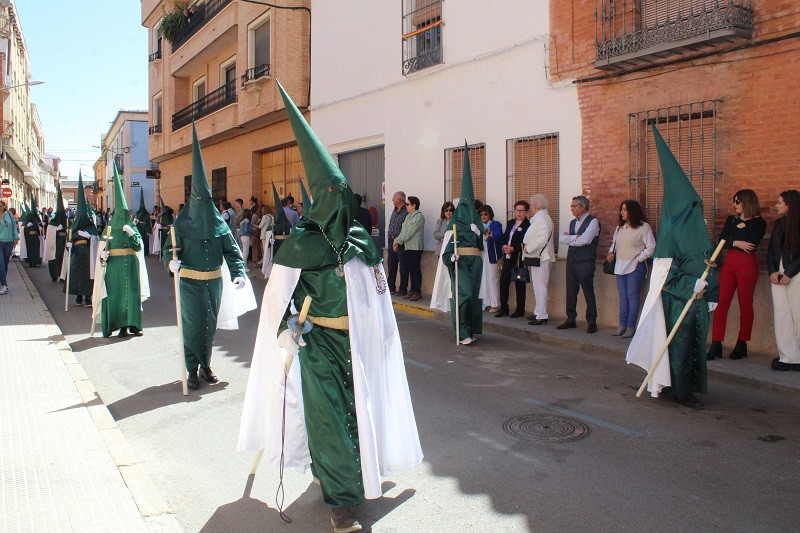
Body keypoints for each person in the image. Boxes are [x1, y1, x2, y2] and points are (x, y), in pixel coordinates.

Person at [239, 82, 422, 533]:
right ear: (322, 199)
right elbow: (277, 303)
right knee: (326, 420)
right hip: (317, 344)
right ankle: (340, 502)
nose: (341, 203)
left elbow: (376, 293)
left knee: (356, 415)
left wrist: (380, 329)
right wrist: (287, 330)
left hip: (354, 344)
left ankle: (345, 478)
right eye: (333, 195)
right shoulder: (300, 245)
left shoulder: (360, 242)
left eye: (345, 194)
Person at [626, 125, 719, 409]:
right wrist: (691, 286)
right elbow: (665, 274)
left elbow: (707, 260)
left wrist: (711, 292)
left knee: (694, 346)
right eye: (693, 206)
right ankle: (680, 391)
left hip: (697, 301)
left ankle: (687, 386)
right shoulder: (670, 234)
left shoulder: (698, 229)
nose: (697, 209)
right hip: (679, 301)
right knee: (680, 346)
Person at [163, 125, 255, 389]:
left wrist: (238, 273)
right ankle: (191, 369)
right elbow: (169, 251)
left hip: (213, 282)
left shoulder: (220, 225)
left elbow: (232, 251)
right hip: (190, 282)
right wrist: (171, 264)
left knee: (208, 326)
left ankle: (206, 365)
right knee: (192, 325)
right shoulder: (180, 226)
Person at [706, 190, 766, 360]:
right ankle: (716, 343)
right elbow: (722, 240)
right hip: (729, 263)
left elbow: (751, 244)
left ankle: (742, 342)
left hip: (746, 264)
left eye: (738, 201)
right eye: (734, 201)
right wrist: (736, 242)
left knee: (745, 303)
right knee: (721, 301)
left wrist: (733, 240)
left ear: (747, 202)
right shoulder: (731, 219)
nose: (735, 204)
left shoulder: (758, 222)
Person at [95, 165, 150, 338]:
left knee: (131, 294)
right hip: (115, 267)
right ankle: (120, 326)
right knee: (117, 296)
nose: (124, 215)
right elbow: (102, 252)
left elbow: (139, 247)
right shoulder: (108, 229)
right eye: (121, 212)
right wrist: (103, 255)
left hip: (131, 265)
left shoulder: (132, 226)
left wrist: (132, 233)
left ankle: (133, 324)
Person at [607, 200, 655, 338]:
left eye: (624, 209)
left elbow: (651, 247)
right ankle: (621, 325)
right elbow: (614, 243)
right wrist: (611, 252)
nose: (621, 212)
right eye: (621, 209)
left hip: (635, 266)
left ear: (632, 211)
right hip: (620, 265)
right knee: (623, 297)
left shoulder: (644, 227)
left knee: (633, 297)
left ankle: (630, 326)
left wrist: (639, 258)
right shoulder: (620, 227)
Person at [558, 195, 600, 333]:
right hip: (571, 261)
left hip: (585, 262)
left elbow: (586, 240)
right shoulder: (572, 223)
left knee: (588, 291)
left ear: (582, 207)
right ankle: (570, 319)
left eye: (573, 206)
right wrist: (575, 237)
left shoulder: (593, 222)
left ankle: (592, 320)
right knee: (571, 291)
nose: (571, 208)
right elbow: (561, 239)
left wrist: (572, 239)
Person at [768, 190, 800, 371]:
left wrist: (789, 272)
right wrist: (773, 271)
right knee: (781, 314)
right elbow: (772, 249)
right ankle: (788, 357)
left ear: (791, 205)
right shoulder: (779, 223)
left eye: (780, 202)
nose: (776, 206)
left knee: (798, 314)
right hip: (778, 274)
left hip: (795, 273)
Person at [66, 173, 99, 307]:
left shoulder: (90, 227)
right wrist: (69, 244)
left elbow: (97, 239)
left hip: (87, 255)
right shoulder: (73, 228)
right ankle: (78, 297)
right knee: (76, 274)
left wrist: (89, 236)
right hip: (76, 254)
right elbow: (69, 240)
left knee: (87, 275)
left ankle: (87, 298)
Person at [522, 194, 555, 325]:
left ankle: (542, 315)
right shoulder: (542, 218)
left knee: (541, 286)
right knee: (538, 285)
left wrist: (528, 249)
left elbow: (541, 238)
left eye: (531, 205)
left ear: (536, 206)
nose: (531, 207)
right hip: (540, 256)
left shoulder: (541, 219)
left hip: (541, 256)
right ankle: (538, 311)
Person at [496, 200, 530, 318]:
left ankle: (520, 310)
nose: (519, 213)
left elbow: (525, 242)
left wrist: (513, 248)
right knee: (503, 281)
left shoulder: (527, 225)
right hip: (508, 257)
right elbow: (505, 237)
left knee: (519, 283)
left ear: (526, 212)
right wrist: (504, 246)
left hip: (518, 258)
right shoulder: (511, 223)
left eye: (522, 210)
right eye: (517, 210)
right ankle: (504, 308)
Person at [393, 195, 425, 301]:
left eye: (408, 204)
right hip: (407, 246)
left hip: (415, 247)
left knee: (415, 269)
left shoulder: (418, 216)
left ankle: (417, 291)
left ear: (414, 205)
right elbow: (403, 231)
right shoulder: (408, 216)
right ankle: (412, 290)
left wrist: (397, 241)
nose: (406, 206)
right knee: (410, 269)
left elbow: (410, 232)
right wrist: (398, 240)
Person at [478, 205, 502, 312]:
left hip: (492, 256)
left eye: (485, 214)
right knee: (483, 279)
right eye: (481, 214)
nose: (483, 216)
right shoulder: (477, 226)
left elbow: (498, 236)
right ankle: (485, 303)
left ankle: (495, 304)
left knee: (493, 279)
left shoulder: (496, 224)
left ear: (490, 214)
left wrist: (488, 232)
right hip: (481, 255)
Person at [44, 187, 69, 282]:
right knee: (55, 259)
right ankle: (54, 275)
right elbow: (50, 235)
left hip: (64, 244)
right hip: (55, 245)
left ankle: (63, 276)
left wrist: (65, 230)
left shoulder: (67, 222)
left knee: (64, 260)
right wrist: (57, 231)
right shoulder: (52, 224)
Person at [387, 191, 408, 296]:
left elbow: (405, 229)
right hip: (391, 240)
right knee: (391, 264)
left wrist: (398, 241)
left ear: (399, 199)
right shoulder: (394, 210)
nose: (392, 199)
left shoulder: (406, 211)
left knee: (403, 266)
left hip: (401, 241)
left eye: (393, 198)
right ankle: (390, 287)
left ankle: (403, 288)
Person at [0, 200, 19, 295]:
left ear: (4, 206)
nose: (1, 208)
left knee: (5, 264)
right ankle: (4, 285)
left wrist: (16, 238)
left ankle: (2, 282)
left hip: (8, 242)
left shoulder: (9, 215)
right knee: (1, 262)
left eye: (2, 206)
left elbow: (14, 228)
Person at [22, 195, 44, 267]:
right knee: (30, 249)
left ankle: (35, 262)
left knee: (35, 250)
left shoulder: (35, 222)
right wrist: (27, 227)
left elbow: (39, 231)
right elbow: (24, 230)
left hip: (34, 237)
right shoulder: (28, 222)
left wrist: (40, 228)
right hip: (29, 237)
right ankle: (31, 262)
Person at [134, 187, 151, 257]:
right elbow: (148, 223)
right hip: (144, 228)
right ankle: (145, 252)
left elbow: (136, 221)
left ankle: (141, 251)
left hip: (140, 228)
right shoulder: (147, 214)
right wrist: (148, 231)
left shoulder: (138, 214)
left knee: (141, 239)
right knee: (145, 240)